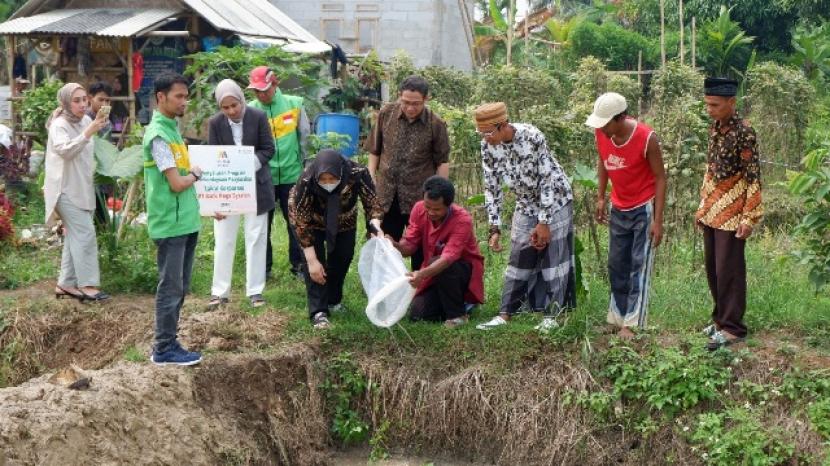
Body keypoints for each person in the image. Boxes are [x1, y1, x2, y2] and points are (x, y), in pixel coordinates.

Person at [473, 102, 575, 332]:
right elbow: (492, 186)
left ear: (503, 125)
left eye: (489, 132)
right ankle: (505, 314)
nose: (485, 138)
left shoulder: (532, 136)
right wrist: (494, 227)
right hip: (526, 204)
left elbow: (547, 179)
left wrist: (544, 221)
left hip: (555, 200)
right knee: (519, 256)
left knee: (553, 259)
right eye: (481, 133)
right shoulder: (487, 147)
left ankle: (553, 315)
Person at [585, 92, 667, 339]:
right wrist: (601, 196)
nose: (601, 129)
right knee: (616, 263)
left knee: (638, 265)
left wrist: (658, 221)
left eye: (605, 123)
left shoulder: (646, 138)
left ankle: (632, 323)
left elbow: (661, 178)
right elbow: (603, 160)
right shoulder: (602, 133)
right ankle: (617, 317)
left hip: (643, 208)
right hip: (618, 206)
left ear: (620, 118)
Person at [696, 77, 763, 351]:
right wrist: (702, 206)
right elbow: (711, 169)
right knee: (713, 267)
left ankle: (734, 328)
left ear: (731, 103)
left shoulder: (745, 132)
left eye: (715, 105)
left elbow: (753, 177)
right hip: (713, 208)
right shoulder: (715, 128)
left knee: (729, 270)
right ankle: (720, 321)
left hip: (734, 212)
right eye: (708, 104)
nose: (709, 109)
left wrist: (749, 217)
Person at [142, 72, 203, 366]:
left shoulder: (173, 131)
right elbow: (177, 183)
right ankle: (164, 348)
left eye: (185, 96)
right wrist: (195, 175)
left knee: (180, 285)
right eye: (178, 96)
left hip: (186, 222)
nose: (184, 101)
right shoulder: (158, 135)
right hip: (170, 224)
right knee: (170, 287)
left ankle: (170, 342)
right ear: (160, 97)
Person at [288, 149, 384, 329]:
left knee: (343, 257)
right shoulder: (307, 180)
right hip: (312, 222)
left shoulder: (357, 174)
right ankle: (319, 311)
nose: (328, 183)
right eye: (323, 180)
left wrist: (375, 226)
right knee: (315, 268)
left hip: (344, 220)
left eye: (332, 179)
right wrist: (312, 260)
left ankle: (333, 300)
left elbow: (373, 203)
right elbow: (301, 222)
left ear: (341, 172)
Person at [364, 75, 450, 271]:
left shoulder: (435, 124)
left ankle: (418, 288)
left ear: (426, 99)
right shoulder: (386, 114)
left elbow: (442, 161)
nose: (410, 108)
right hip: (386, 195)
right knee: (384, 242)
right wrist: (370, 177)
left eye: (416, 104)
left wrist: (441, 196)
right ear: (399, 96)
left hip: (418, 199)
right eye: (406, 102)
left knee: (420, 247)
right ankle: (383, 287)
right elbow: (374, 150)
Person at [207, 79, 276, 309]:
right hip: (228, 189)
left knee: (256, 238)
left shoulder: (257, 116)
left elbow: (269, 149)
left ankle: (255, 292)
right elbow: (214, 157)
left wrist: (247, 166)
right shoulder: (215, 123)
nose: (231, 111)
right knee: (224, 239)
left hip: (257, 186)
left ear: (241, 100)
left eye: (234, 105)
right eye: (225, 107)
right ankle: (219, 292)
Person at [388, 176, 485, 328]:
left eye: (437, 209)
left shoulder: (462, 220)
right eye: (428, 207)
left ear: (449, 205)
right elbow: (410, 245)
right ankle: (460, 304)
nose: (431, 212)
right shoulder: (419, 208)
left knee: (441, 264)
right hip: (435, 272)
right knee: (418, 314)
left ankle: (457, 315)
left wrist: (421, 274)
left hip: (461, 271)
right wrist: (396, 246)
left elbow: (448, 258)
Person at [44, 83, 110, 302]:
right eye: (76, 100)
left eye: (84, 99)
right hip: (63, 188)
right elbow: (66, 151)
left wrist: (94, 127)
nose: (82, 104)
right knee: (85, 234)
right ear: (65, 102)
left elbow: (85, 155)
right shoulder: (59, 125)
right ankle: (88, 285)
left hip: (81, 187)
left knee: (75, 235)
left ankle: (66, 283)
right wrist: (88, 133)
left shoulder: (85, 120)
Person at [247, 66, 309, 279]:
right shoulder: (250, 110)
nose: (261, 95)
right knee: (262, 224)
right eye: (256, 91)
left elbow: (305, 139)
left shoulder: (295, 104)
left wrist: (305, 168)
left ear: (275, 84)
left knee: (296, 222)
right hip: (264, 178)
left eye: (264, 89)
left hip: (293, 175)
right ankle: (263, 268)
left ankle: (299, 266)